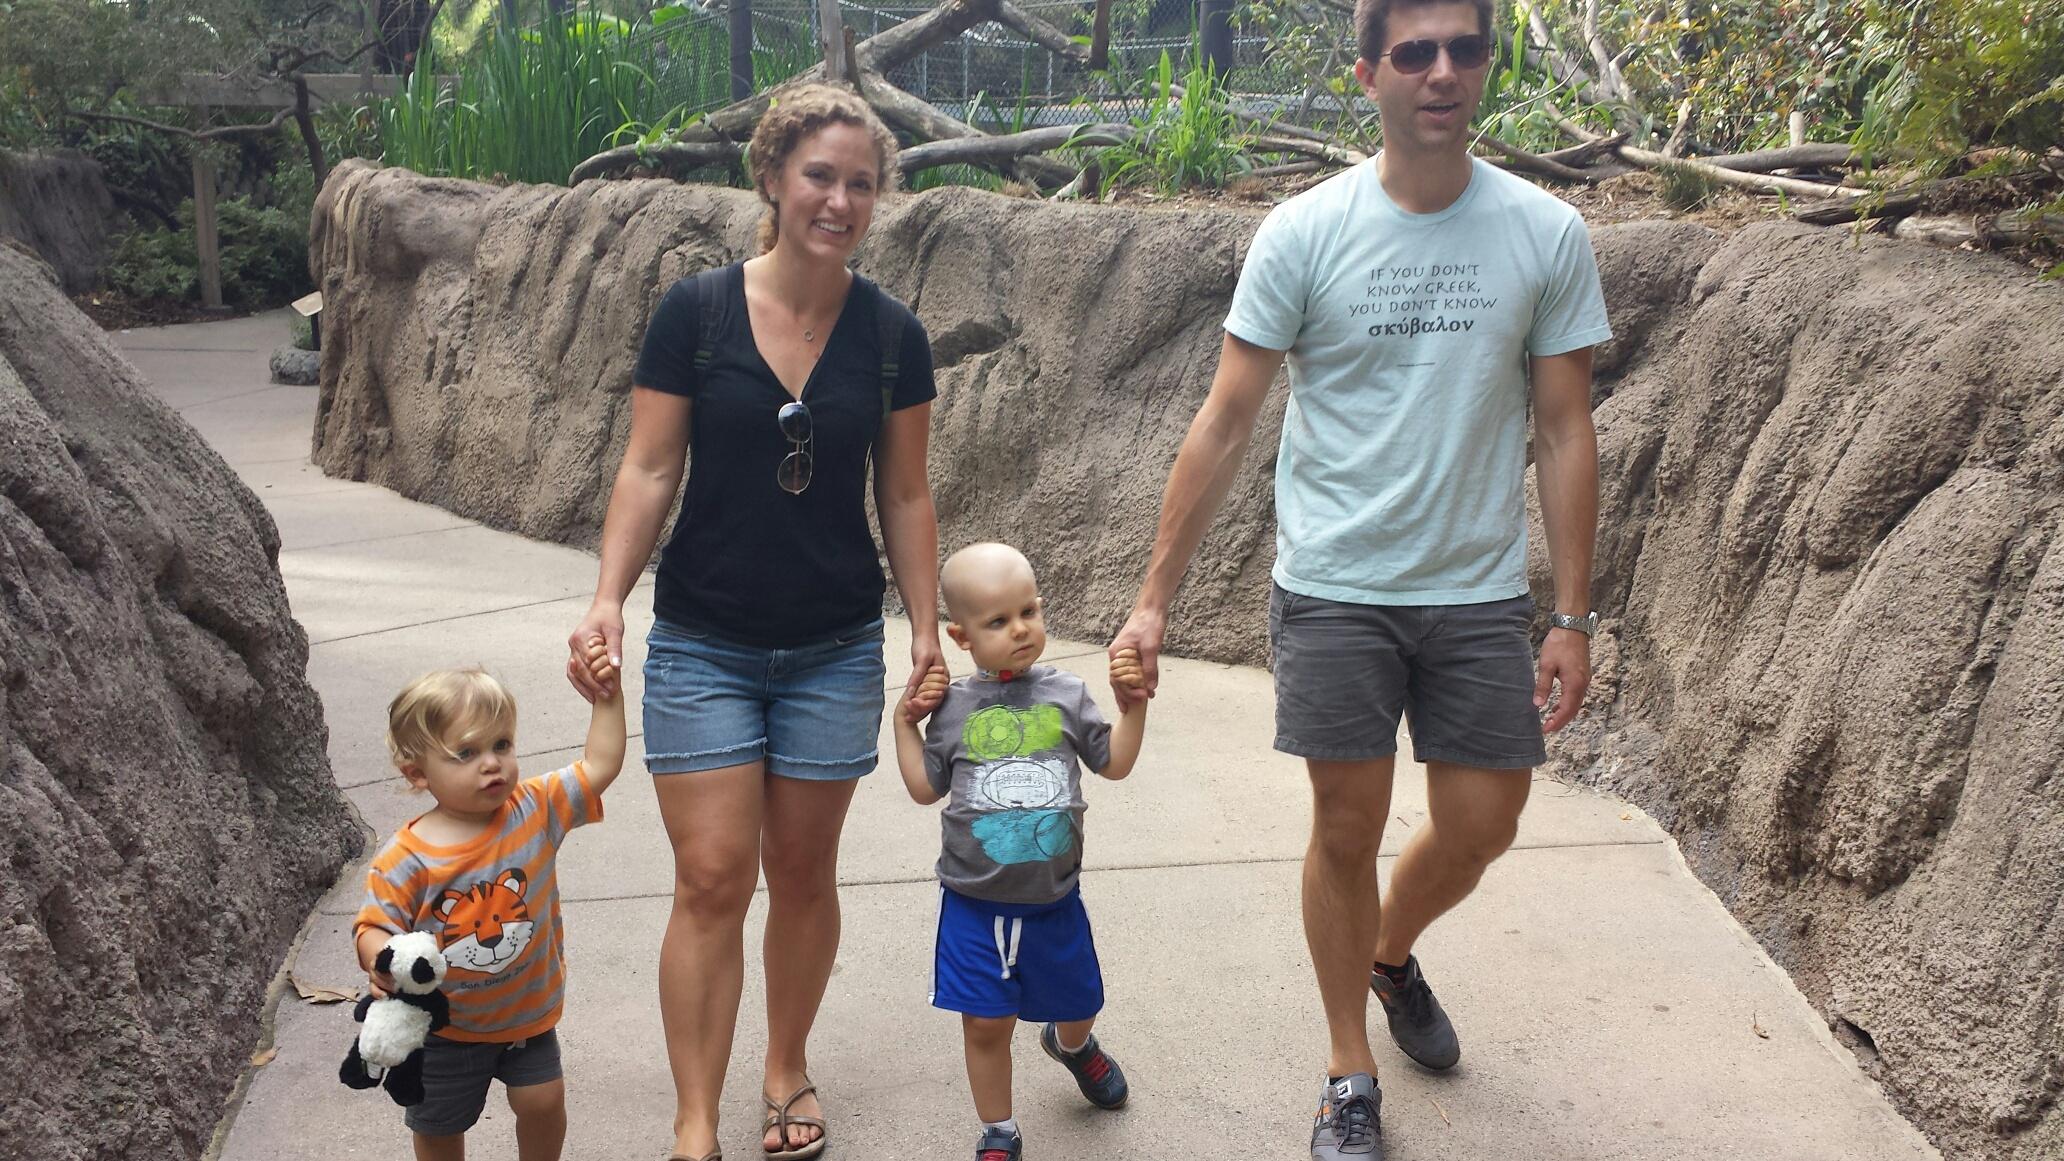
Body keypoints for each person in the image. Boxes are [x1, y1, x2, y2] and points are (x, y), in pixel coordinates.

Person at [1107, 0, 1614, 1155]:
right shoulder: (1304, 233)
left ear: (1485, 64)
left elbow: (1564, 428)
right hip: (1336, 582)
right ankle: (1348, 1071)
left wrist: (1573, 614)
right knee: (1347, 823)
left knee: (1483, 823)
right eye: (1415, 52)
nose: (1442, 72)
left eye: (1464, 49)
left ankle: (1388, 954)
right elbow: (1226, 420)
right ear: (1368, 73)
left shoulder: (1545, 232)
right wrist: (1152, 597)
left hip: (1476, 588)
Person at [565, 83, 942, 1161]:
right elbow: (649, 467)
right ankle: (696, 1119)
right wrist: (607, 597)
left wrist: (924, 627)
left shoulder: (892, 336)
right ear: (772, 177)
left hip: (834, 646)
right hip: (704, 641)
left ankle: (785, 1066)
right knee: (713, 877)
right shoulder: (695, 314)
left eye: (861, 183)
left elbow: (905, 492)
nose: (839, 200)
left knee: (805, 873)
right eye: (819, 175)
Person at [892, 542, 1147, 1161]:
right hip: (972, 903)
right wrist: (903, 725)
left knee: (1080, 1003)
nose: (1021, 629)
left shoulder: (1067, 693)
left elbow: (1113, 763)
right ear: (961, 636)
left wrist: (1133, 708)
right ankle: (999, 1130)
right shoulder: (951, 708)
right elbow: (925, 789)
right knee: (985, 1023)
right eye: (998, 621)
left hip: (1054, 900)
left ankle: (1072, 1045)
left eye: (1029, 611)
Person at [354, 648, 627, 1161]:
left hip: (528, 1013)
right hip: (445, 1027)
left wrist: (607, 697)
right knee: (438, 1124)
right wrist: (383, 962)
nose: (491, 762)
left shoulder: (535, 808)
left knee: (543, 1102)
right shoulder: (406, 858)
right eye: (466, 753)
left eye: (501, 744)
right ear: (417, 773)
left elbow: (600, 765)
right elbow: (374, 927)